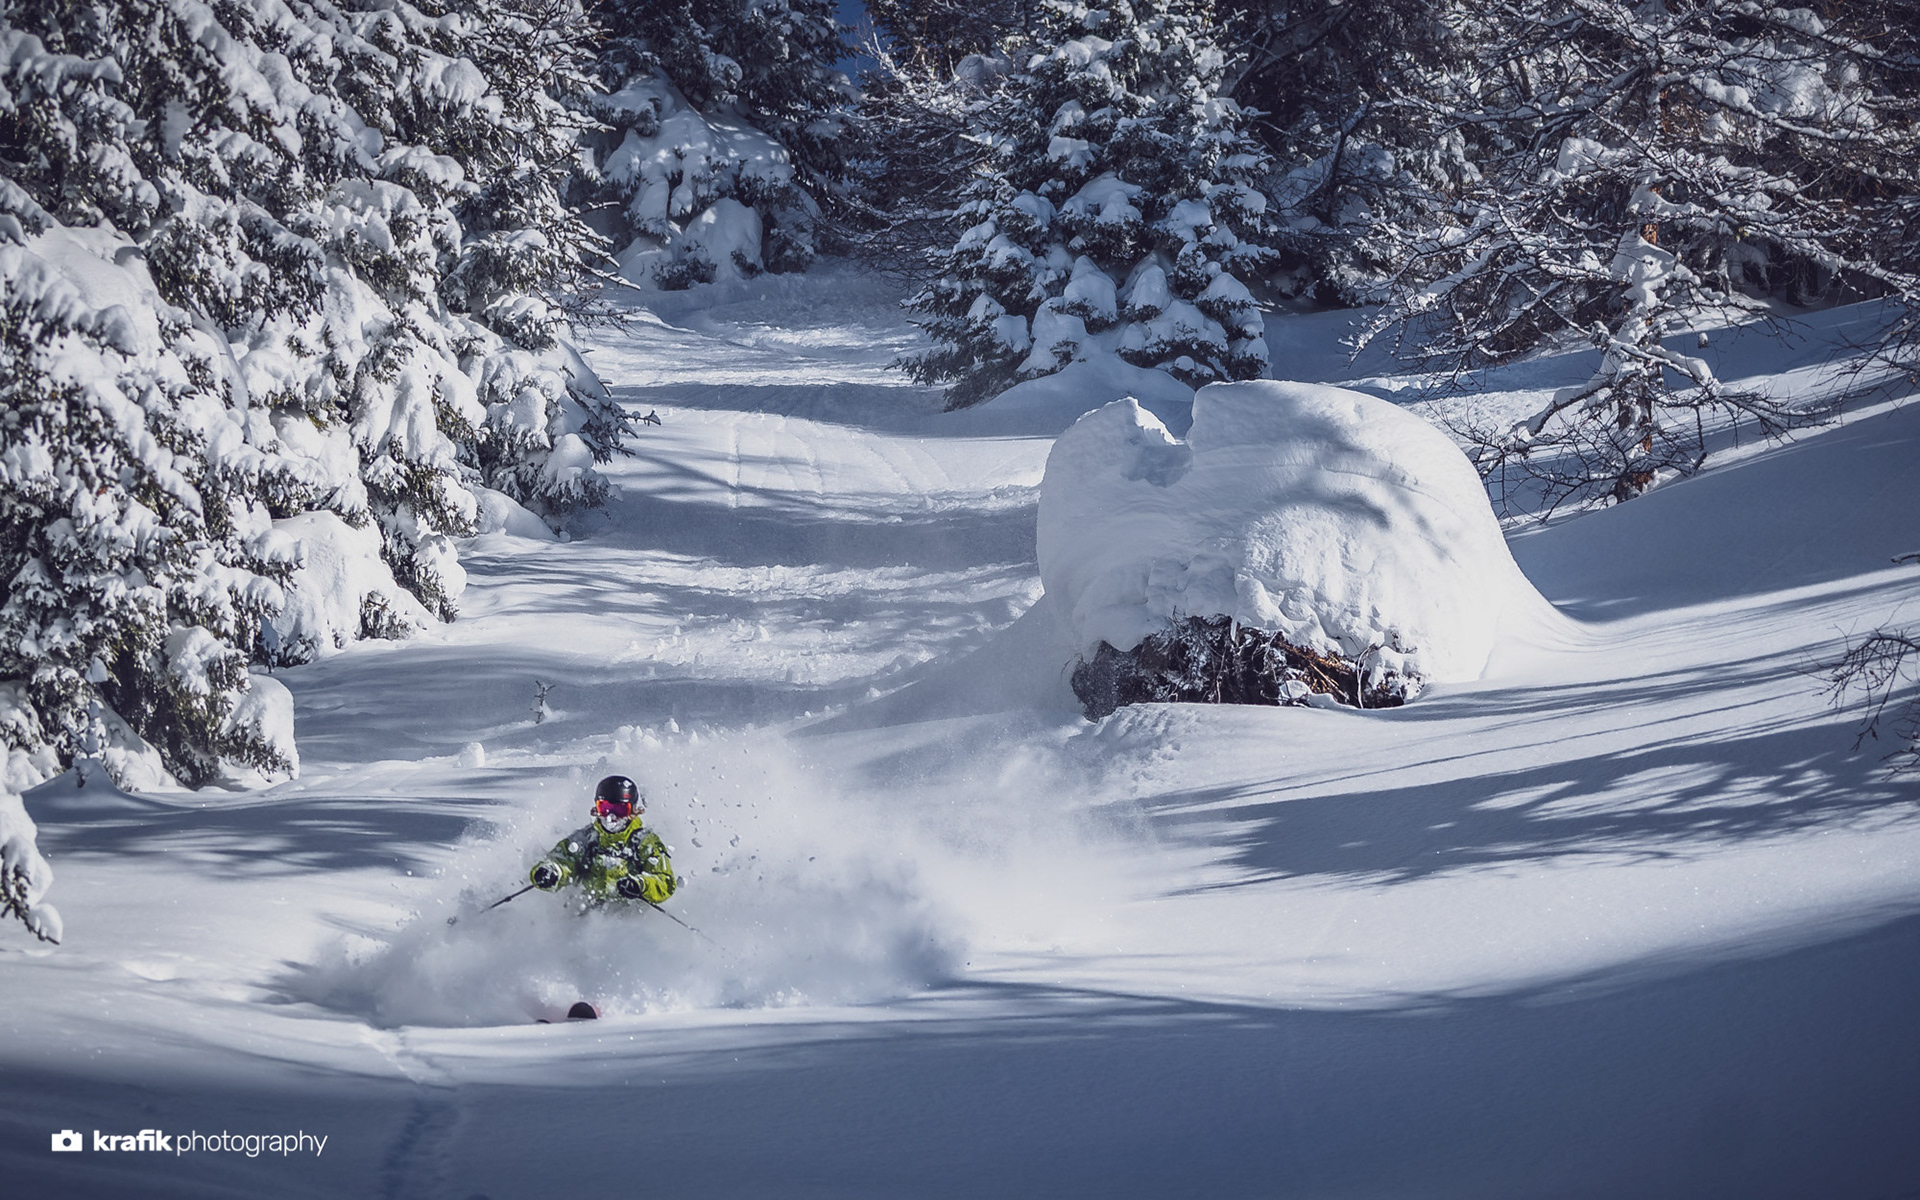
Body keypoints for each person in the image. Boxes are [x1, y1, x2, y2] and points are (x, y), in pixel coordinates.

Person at [529, 775, 677, 905]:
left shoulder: (645, 842)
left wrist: (641, 884)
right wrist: (552, 872)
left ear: (634, 811)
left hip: (630, 917)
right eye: (605, 808)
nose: (610, 817)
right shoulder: (586, 838)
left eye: (620, 810)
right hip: (586, 913)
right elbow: (563, 860)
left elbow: (665, 881)